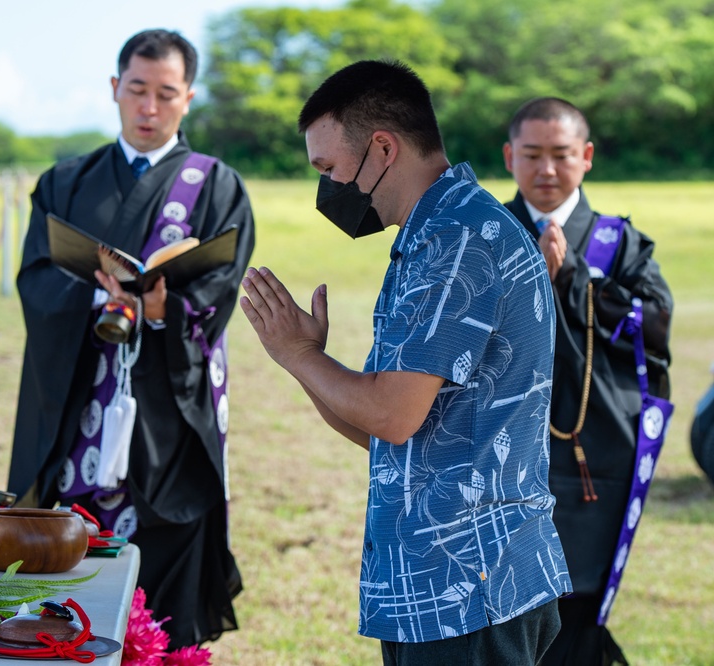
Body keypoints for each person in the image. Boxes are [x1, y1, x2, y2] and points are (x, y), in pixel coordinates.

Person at [240, 59, 571, 664]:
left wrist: (299, 351)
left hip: (470, 586)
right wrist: (302, 361)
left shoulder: (458, 241)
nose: (329, 187)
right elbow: (382, 428)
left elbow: (391, 415)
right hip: (443, 584)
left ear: (383, 148)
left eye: (330, 168)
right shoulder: (434, 235)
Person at [6, 29, 255, 649]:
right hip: (80, 388)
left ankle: (161, 649)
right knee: (69, 535)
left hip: (166, 394)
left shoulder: (217, 186)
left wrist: (164, 309)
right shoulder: (66, 181)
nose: (149, 108)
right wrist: (99, 298)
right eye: (137, 90)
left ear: (188, 99)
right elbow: (37, 275)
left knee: (168, 533)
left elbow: (220, 286)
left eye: (165, 94)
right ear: (114, 89)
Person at [503, 97, 674, 665]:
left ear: (588, 156)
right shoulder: (488, 231)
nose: (546, 170)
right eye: (532, 155)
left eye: (561, 155)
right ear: (509, 157)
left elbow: (654, 328)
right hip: (499, 450)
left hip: (592, 452)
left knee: (576, 594)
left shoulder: (617, 242)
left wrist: (576, 279)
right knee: (501, 598)